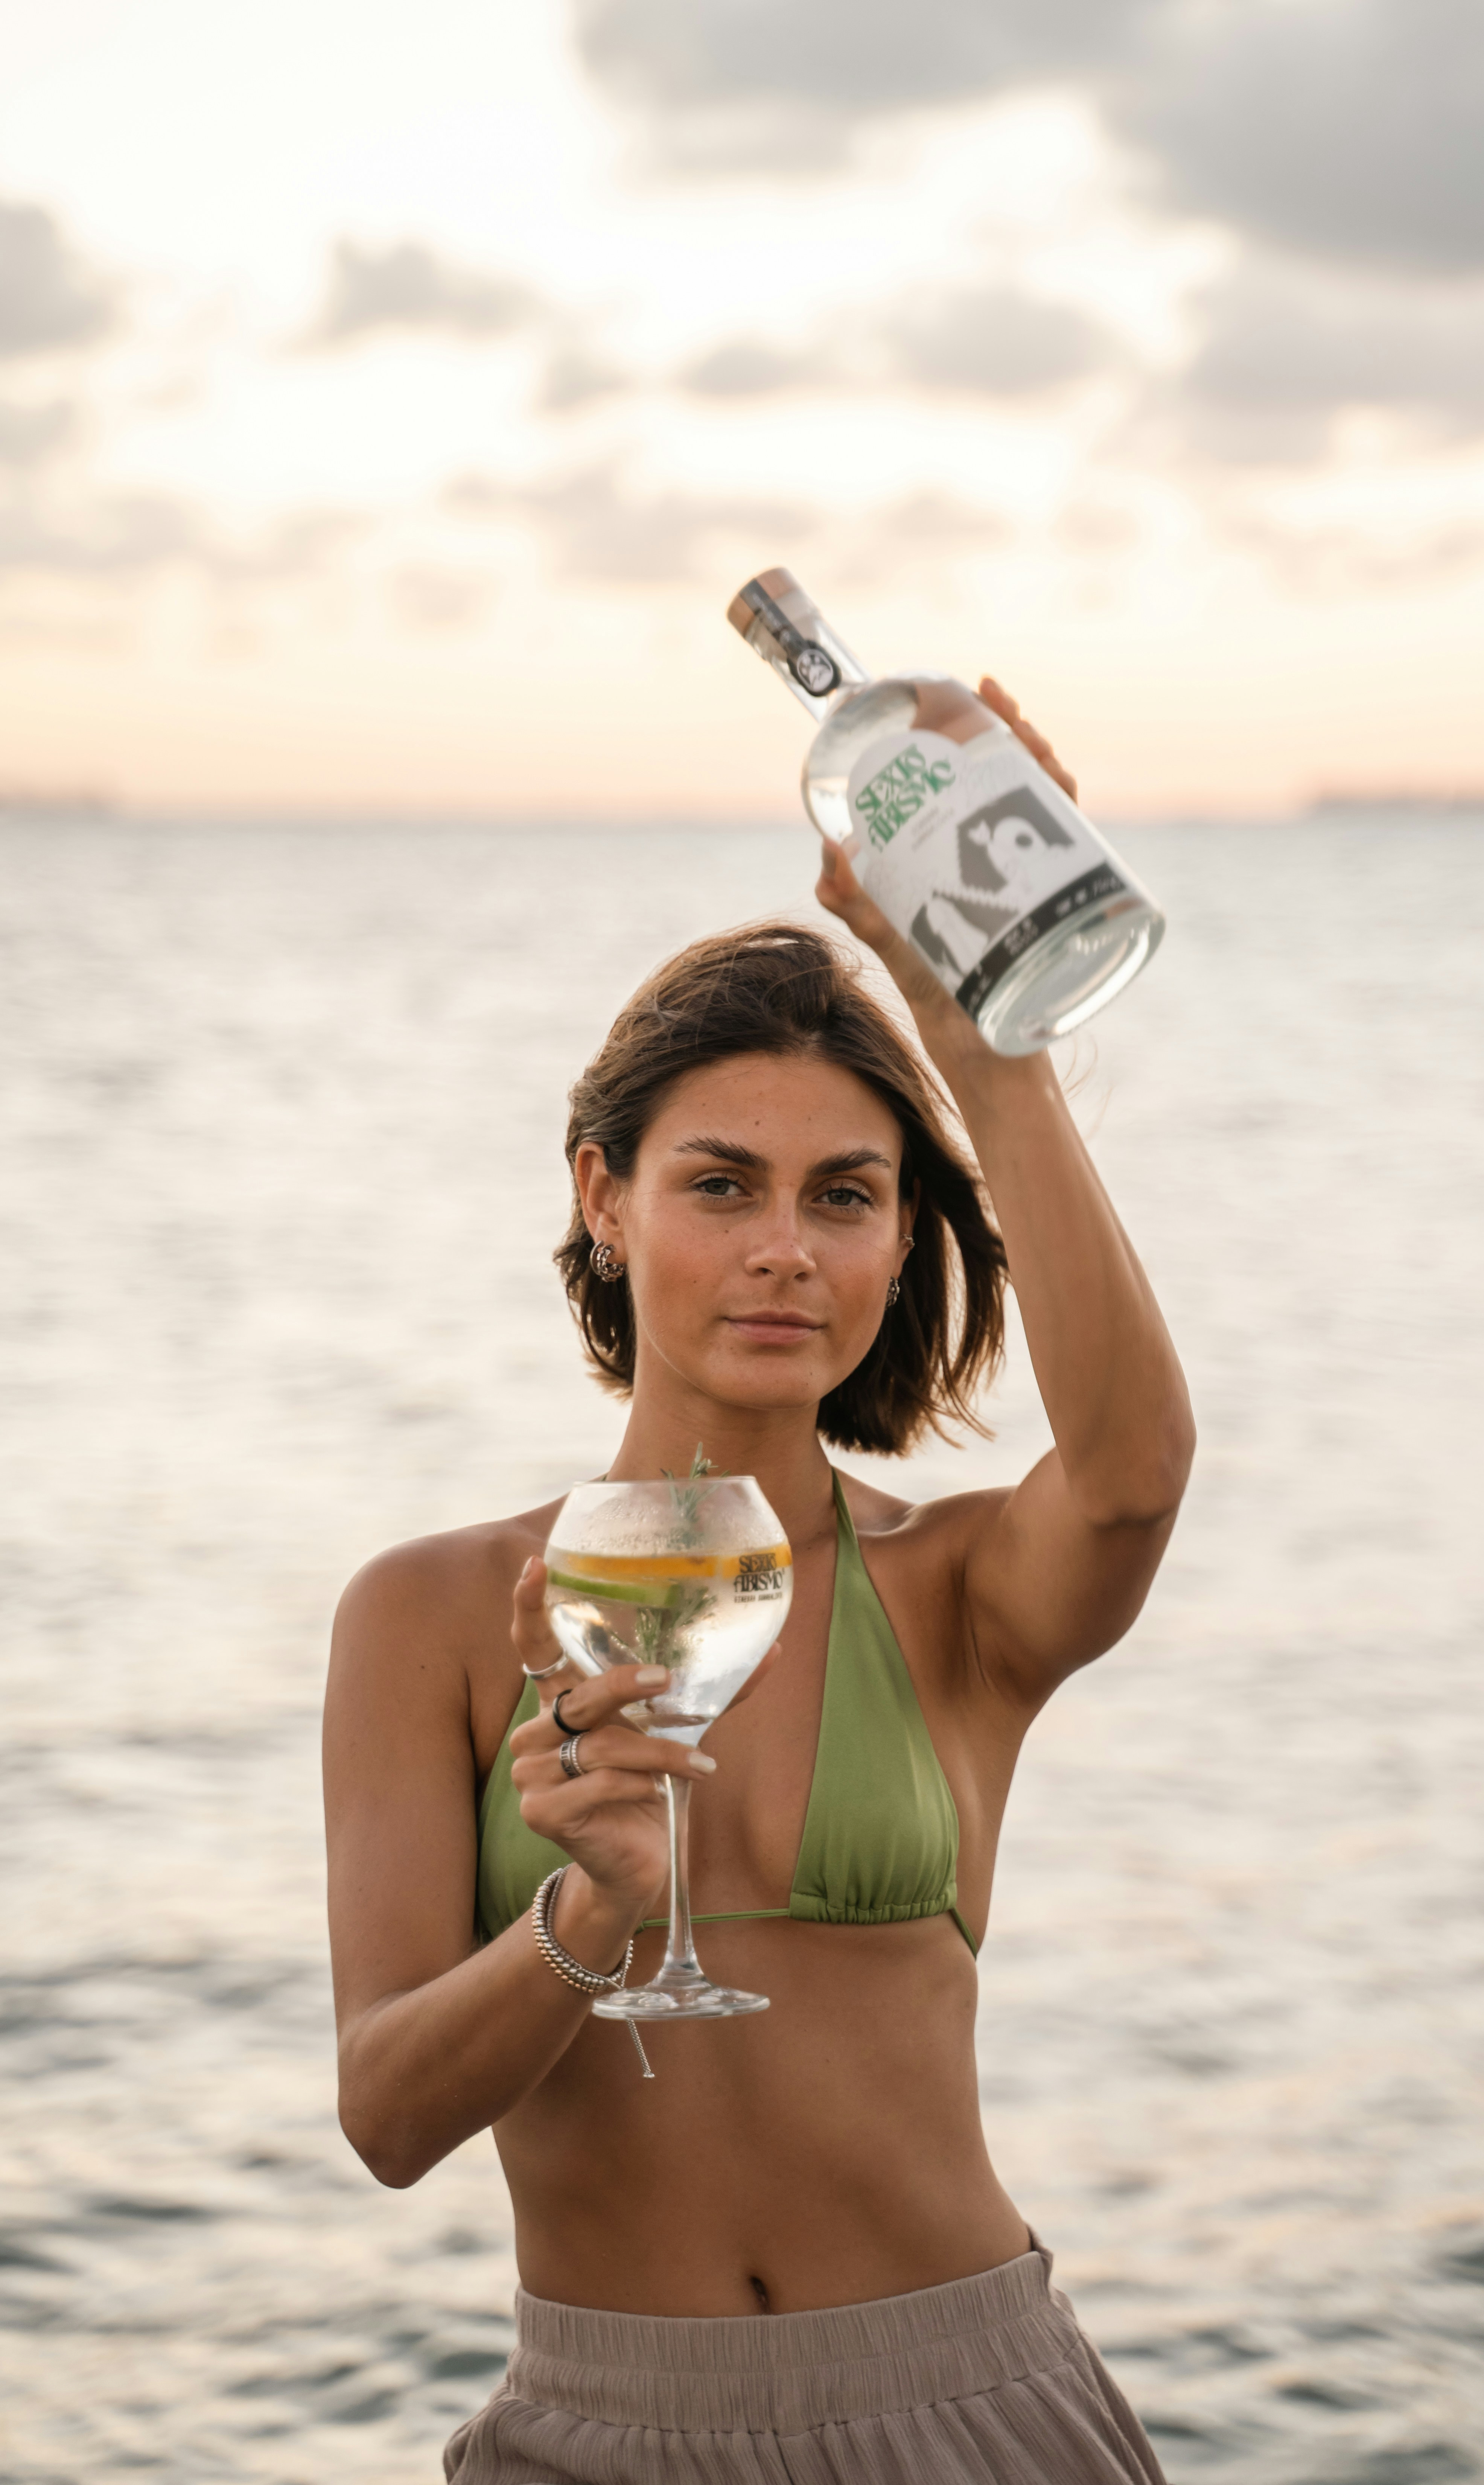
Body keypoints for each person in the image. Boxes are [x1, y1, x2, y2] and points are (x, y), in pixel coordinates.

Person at [324, 681, 1196, 2483]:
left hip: (969, 2410)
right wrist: (582, 1922)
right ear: (604, 1197)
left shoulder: (954, 1592)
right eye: (722, 1183)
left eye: (849, 1195)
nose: (788, 1248)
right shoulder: (424, 1617)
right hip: (598, 2435)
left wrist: (990, 1044)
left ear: (900, 1235)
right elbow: (390, 2115)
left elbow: (1131, 1476)